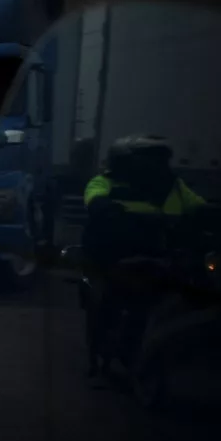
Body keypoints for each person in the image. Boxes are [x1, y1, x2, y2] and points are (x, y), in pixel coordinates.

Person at [81, 134, 205, 377]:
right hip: (114, 254)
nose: (154, 165)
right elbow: (95, 200)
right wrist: (108, 211)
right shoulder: (103, 182)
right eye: (147, 159)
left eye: (158, 159)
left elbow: (199, 206)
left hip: (162, 253)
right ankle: (97, 361)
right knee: (104, 298)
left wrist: (218, 215)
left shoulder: (174, 185)